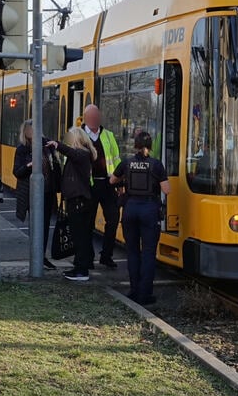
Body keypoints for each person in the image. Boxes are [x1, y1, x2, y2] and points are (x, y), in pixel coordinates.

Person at [111, 131, 170, 305]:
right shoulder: (156, 165)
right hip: (149, 211)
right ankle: (145, 294)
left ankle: (134, 290)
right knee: (148, 253)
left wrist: (124, 184)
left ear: (135, 145)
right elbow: (167, 190)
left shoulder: (127, 163)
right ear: (150, 146)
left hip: (130, 210)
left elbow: (112, 181)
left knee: (132, 252)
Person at [47, 127, 97, 281]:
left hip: (79, 201)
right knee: (79, 236)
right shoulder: (82, 155)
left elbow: (72, 153)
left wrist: (57, 145)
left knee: (80, 237)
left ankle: (81, 270)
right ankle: (80, 267)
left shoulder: (82, 154)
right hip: (77, 200)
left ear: (76, 139)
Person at [13, 119, 59, 269]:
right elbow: (17, 172)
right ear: (25, 132)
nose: (34, 133)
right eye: (31, 130)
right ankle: (36, 256)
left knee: (45, 225)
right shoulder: (22, 149)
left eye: (36, 130)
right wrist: (29, 166)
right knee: (35, 225)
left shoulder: (47, 146)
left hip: (47, 192)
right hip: (31, 193)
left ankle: (42, 256)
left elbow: (55, 166)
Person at [82, 104, 121, 269]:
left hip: (107, 184)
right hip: (88, 185)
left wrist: (119, 180)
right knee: (87, 223)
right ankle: (88, 257)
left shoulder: (109, 135)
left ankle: (106, 255)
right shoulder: (77, 135)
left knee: (113, 220)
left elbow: (116, 159)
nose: (94, 120)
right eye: (91, 117)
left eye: (97, 116)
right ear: (85, 118)